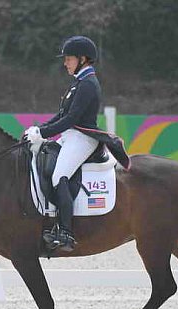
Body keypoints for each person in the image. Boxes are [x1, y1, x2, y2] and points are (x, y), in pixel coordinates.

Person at [23, 35, 130, 252]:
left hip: (82, 138)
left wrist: (43, 132)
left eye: (69, 58)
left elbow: (71, 120)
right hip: (71, 136)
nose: (65, 63)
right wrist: (39, 130)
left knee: (59, 176)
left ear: (83, 59)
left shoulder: (88, 83)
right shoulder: (79, 82)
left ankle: (66, 232)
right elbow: (62, 115)